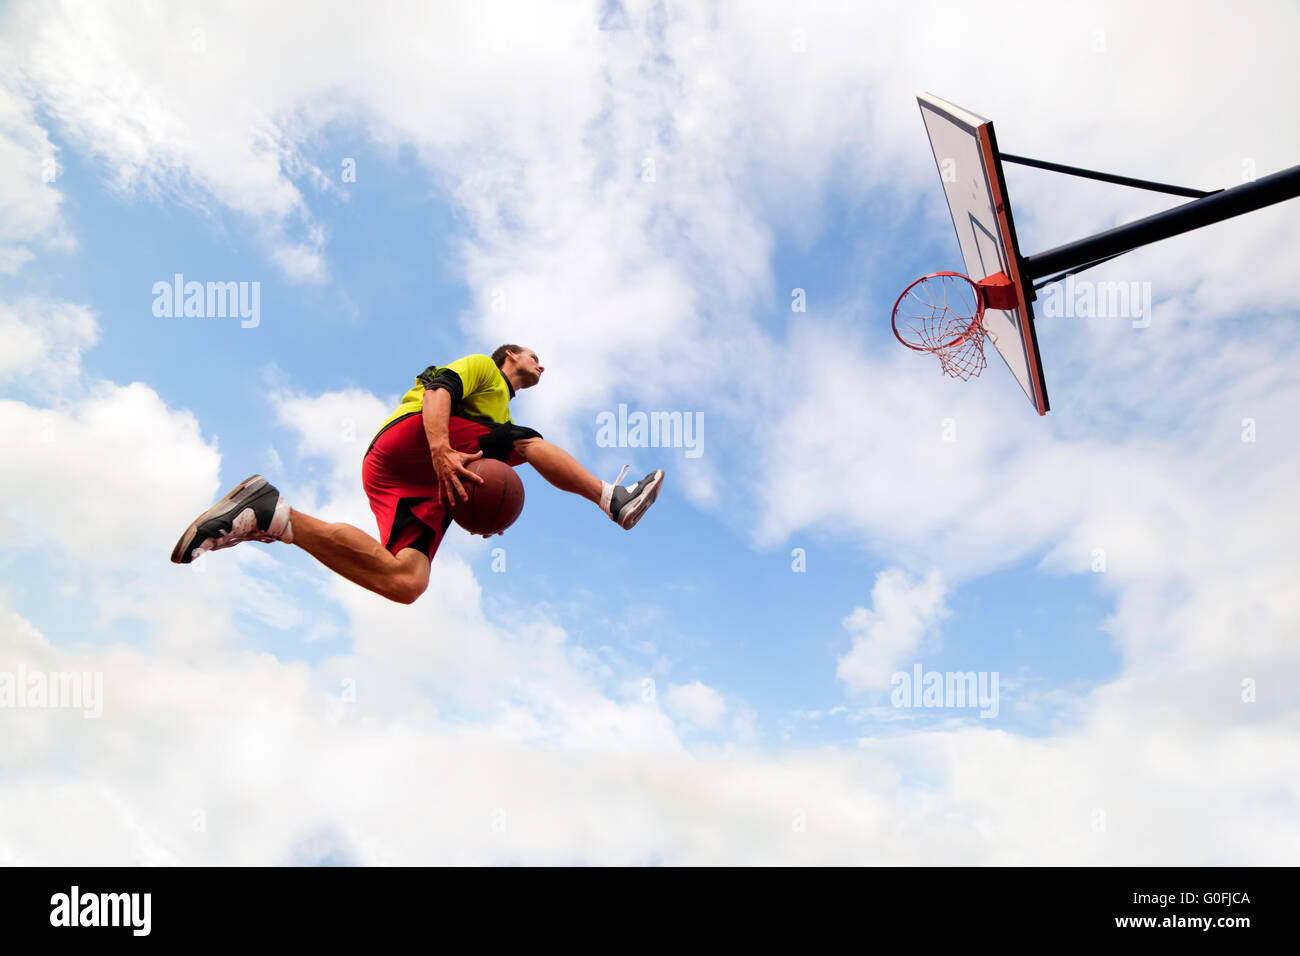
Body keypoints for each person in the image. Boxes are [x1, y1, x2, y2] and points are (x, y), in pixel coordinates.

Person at [169, 345, 665, 604]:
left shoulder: (497, 418)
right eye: (534, 355)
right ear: (510, 355)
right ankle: (612, 498)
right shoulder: (483, 370)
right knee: (525, 442)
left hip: (411, 480)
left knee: (406, 582)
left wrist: (479, 511)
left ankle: (271, 515)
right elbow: (435, 387)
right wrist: (441, 449)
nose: (542, 364)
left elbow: (485, 476)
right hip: (413, 444)